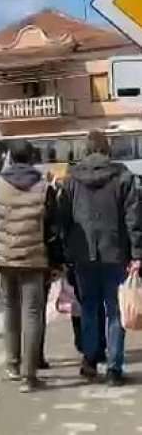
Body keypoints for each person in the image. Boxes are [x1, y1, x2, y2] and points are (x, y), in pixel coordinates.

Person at [0, 140, 61, 393]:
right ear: (32, 159)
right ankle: (29, 376)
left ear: (10, 159)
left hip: (4, 258)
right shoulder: (44, 187)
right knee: (32, 313)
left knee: (10, 310)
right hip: (35, 258)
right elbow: (54, 228)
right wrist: (55, 260)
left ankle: (12, 366)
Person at [58, 130, 142, 387]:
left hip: (83, 255)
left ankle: (91, 361)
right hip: (116, 253)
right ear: (107, 150)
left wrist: (65, 252)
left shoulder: (71, 179)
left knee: (90, 308)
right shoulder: (123, 176)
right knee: (116, 312)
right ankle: (114, 369)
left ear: (85, 149)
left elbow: (63, 219)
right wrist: (137, 255)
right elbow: (134, 219)